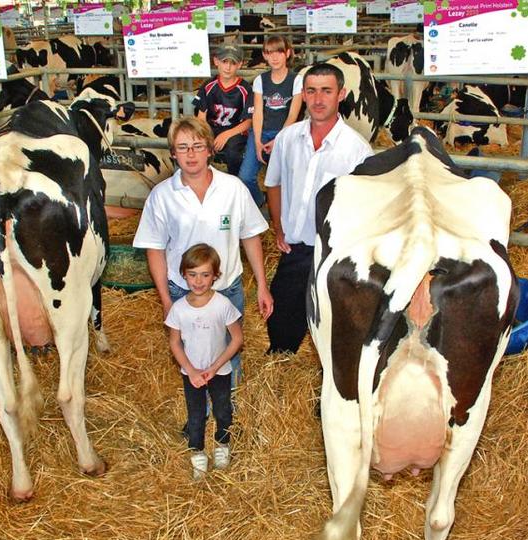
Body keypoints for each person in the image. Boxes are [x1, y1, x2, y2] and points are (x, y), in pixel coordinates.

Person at [133, 116, 273, 389]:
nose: (191, 154)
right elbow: (155, 249)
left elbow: (250, 236)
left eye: (198, 146)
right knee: (191, 352)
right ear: (173, 154)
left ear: (210, 149)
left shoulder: (233, 188)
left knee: (228, 349)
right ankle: (200, 402)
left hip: (226, 288)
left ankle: (228, 400)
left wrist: (262, 286)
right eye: (183, 147)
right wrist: (166, 299)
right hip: (183, 292)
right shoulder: (162, 195)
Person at [265, 62, 373, 354]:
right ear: (303, 94)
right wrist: (278, 228)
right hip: (296, 247)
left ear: (341, 94)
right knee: (282, 314)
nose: (318, 99)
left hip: (335, 253)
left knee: (333, 323)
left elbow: (365, 207)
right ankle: (282, 358)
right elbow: (273, 183)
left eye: (326, 91)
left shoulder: (357, 150)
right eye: (311, 91)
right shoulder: (288, 139)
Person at [165, 243, 242, 479]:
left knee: (223, 409)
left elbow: (237, 338)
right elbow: (174, 343)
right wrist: (191, 370)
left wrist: (215, 367)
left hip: (219, 370)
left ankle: (222, 444)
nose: (198, 281)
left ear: (216, 276)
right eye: (193, 275)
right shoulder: (178, 309)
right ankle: (197, 453)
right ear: (184, 275)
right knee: (195, 414)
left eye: (205, 275)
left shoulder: (222, 304)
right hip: (193, 374)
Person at [238, 35, 303, 207]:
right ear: (264, 55)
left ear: (287, 53)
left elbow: (293, 115)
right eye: (269, 53)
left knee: (284, 177)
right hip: (262, 131)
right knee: (245, 176)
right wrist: (258, 141)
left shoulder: (296, 80)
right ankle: (260, 201)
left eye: (279, 52)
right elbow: (257, 112)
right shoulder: (260, 80)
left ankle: (285, 211)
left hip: (286, 132)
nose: (274, 57)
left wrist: (279, 140)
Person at [194, 45, 253, 177]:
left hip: (235, 131)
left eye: (233, 63)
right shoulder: (208, 86)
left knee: (233, 153)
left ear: (240, 64)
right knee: (197, 147)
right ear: (216, 61)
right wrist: (206, 136)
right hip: (211, 129)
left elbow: (248, 121)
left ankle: (235, 181)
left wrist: (226, 135)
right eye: (224, 61)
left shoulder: (245, 89)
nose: (228, 67)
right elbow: (201, 118)